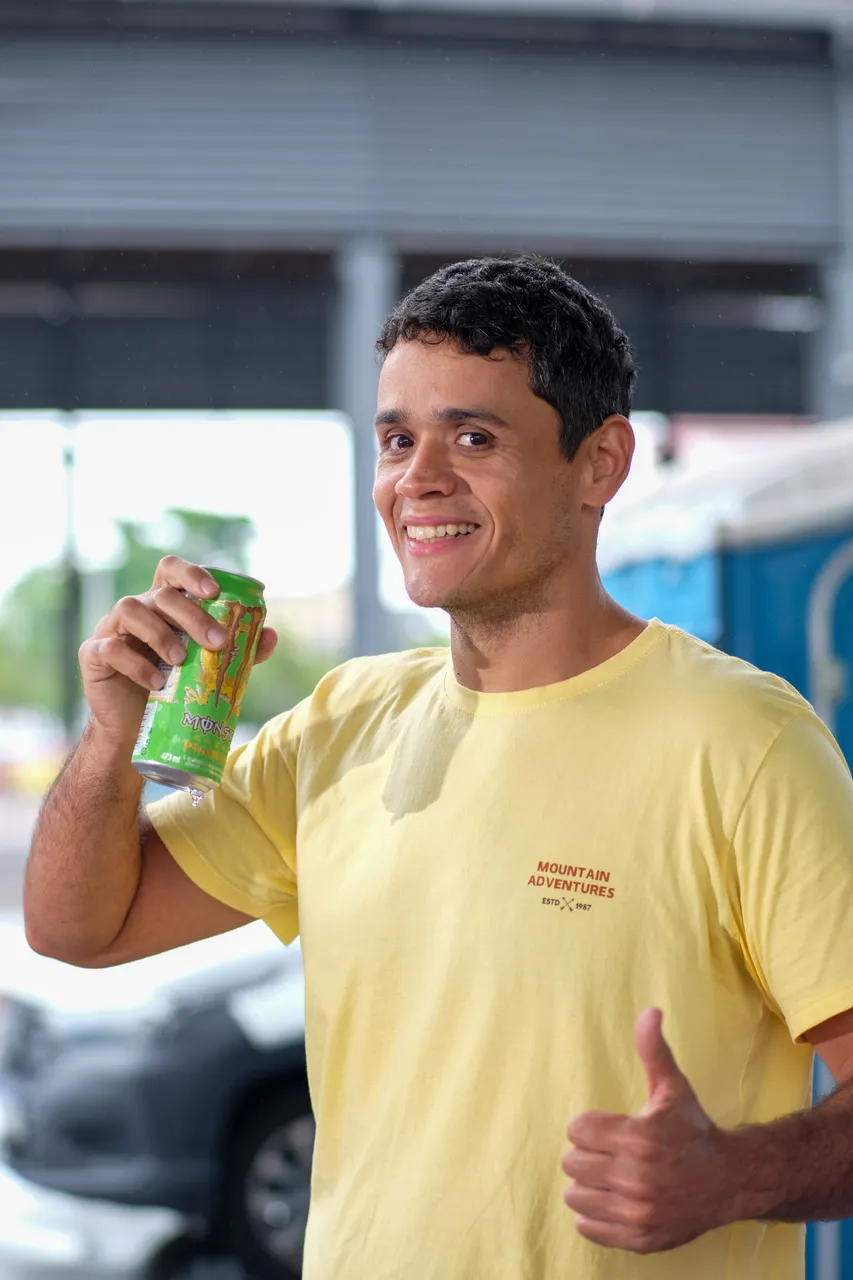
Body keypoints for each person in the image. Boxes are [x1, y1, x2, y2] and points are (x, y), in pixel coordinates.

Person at [25, 254, 853, 1280]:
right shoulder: (339, 724)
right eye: (395, 438)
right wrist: (111, 736)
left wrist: (729, 1177)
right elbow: (78, 927)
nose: (417, 477)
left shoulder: (742, 741)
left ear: (599, 463)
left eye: (473, 437)